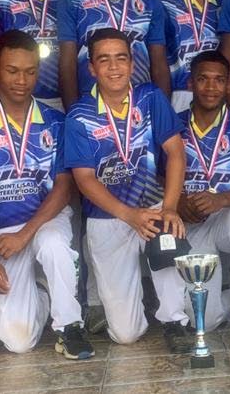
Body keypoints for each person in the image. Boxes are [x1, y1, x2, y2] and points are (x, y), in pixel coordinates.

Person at [0, 30, 92, 359]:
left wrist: (25, 234)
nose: (22, 80)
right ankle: (43, 294)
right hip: (0, 232)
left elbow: (63, 188)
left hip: (45, 219)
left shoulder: (56, 122)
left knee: (55, 246)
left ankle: (70, 326)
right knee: (18, 341)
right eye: (13, 70)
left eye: (31, 71)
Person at [62, 28, 192, 350]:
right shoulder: (79, 117)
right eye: (103, 60)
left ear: (133, 64)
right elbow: (84, 179)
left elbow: (176, 153)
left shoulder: (150, 99)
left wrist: (171, 206)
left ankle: (175, 320)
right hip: (108, 218)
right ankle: (136, 312)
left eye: (121, 58)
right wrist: (128, 214)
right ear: (91, 68)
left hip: (153, 207)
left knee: (167, 231)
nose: (114, 67)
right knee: (126, 335)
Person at [177, 51, 230, 345]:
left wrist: (220, 200)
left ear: (229, 86)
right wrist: (178, 203)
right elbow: (158, 180)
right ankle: (228, 301)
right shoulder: (172, 127)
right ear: (191, 83)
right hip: (189, 220)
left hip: (225, 215)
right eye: (203, 79)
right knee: (206, 319)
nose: (211, 88)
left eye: (219, 81)